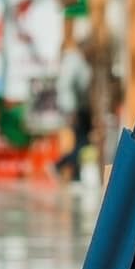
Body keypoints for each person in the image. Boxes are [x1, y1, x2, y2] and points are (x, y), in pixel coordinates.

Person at [53, 21, 93, 183]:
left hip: (81, 107)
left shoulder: (82, 61)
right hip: (75, 109)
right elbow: (66, 86)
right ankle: (60, 165)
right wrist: (70, 110)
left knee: (82, 141)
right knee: (82, 141)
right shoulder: (74, 61)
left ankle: (74, 173)